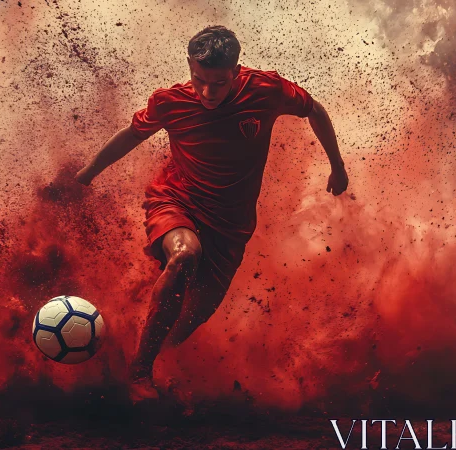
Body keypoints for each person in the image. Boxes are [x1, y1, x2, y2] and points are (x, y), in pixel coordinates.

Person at [75, 25, 348, 402]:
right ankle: (139, 374)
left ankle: (140, 357)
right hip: (177, 200)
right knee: (186, 255)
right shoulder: (169, 102)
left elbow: (314, 109)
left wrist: (337, 165)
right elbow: (131, 135)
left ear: (235, 72)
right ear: (189, 65)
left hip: (231, 228)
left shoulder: (266, 90)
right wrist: (88, 173)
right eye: (199, 79)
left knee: (189, 321)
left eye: (218, 83)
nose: (207, 92)